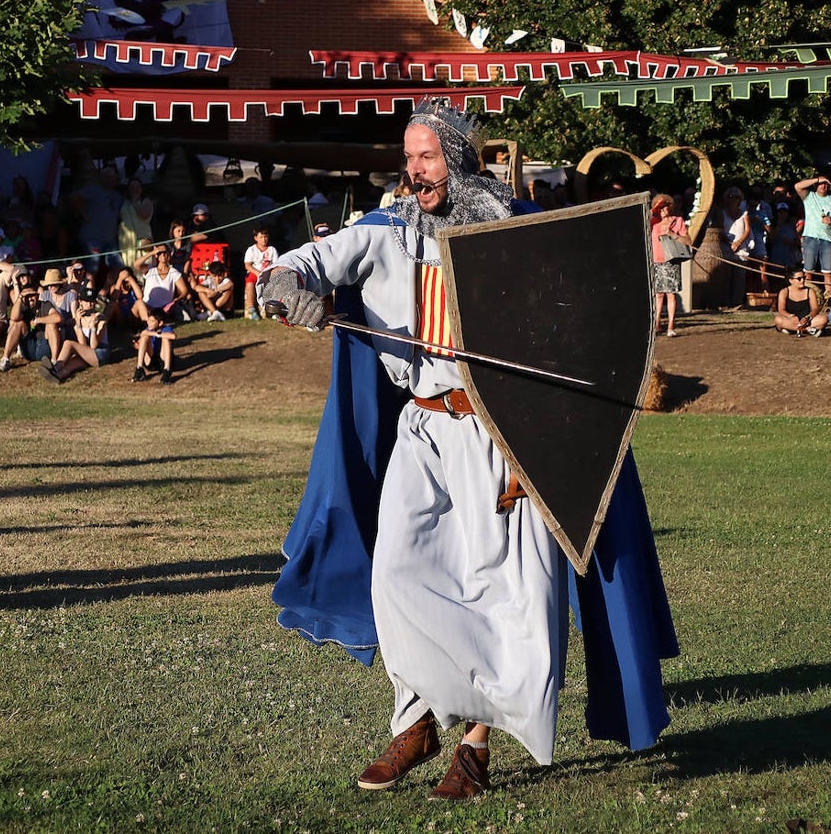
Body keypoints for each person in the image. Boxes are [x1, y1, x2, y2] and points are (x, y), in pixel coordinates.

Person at [261, 97, 676, 800]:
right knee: (397, 572)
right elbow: (306, 262)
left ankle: (475, 748)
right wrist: (286, 285)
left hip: (504, 434)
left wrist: (543, 445)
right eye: (407, 158)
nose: (414, 171)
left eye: (426, 157)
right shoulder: (385, 231)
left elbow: (579, 322)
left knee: (509, 594)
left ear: (456, 158)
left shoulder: (518, 231)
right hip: (423, 429)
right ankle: (420, 718)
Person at [795, 174, 831, 298]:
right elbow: (797, 186)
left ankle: (829, 298)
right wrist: (817, 179)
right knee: (808, 271)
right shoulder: (810, 196)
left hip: (827, 238)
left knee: (827, 272)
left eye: (826, 183)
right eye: (821, 183)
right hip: (810, 237)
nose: (823, 185)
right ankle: (806, 297)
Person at [649, 193, 686, 337]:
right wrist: (655, 208)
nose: (663, 210)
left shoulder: (677, 221)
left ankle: (670, 325)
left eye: (665, 206)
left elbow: (687, 240)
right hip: (656, 260)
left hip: (671, 260)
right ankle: (657, 324)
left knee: (671, 294)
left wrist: (672, 234)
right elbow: (644, 217)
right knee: (658, 294)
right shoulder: (653, 222)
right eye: (660, 207)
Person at [774, 270, 828, 336]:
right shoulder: (784, 292)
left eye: (804, 278)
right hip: (791, 319)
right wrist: (790, 316)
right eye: (799, 279)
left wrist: (808, 317)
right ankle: (808, 329)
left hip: (807, 319)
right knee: (778, 320)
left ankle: (792, 329)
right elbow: (781, 310)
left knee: (823, 319)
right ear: (791, 280)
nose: (802, 280)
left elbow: (815, 309)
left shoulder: (810, 291)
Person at [131, 308, 176, 384]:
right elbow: (143, 334)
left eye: (152, 321)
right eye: (148, 320)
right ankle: (139, 368)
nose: (148, 323)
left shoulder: (166, 329)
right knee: (144, 337)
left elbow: (173, 336)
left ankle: (167, 370)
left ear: (160, 323)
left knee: (166, 339)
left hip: (163, 359)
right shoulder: (148, 329)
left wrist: (156, 334)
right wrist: (138, 345)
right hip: (151, 360)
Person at [119, 178, 154, 268]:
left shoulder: (146, 201)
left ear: (142, 188)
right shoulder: (124, 203)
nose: (135, 189)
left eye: (137, 186)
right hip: (127, 243)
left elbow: (144, 214)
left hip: (142, 240)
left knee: (143, 266)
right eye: (132, 187)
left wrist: (135, 201)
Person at [242, 224, 276, 320]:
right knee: (250, 283)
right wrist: (258, 273)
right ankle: (252, 309)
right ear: (256, 238)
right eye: (261, 237)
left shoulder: (272, 250)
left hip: (268, 273)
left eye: (265, 237)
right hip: (255, 273)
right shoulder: (251, 250)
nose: (264, 239)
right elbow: (247, 265)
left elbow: (276, 264)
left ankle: (273, 309)